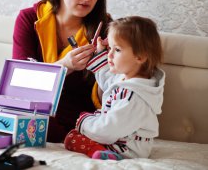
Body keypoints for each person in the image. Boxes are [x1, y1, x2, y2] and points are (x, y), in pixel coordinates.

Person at [13, 0, 111, 142]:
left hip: (74, 117)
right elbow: (19, 82)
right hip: (27, 106)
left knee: (38, 124)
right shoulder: (29, 18)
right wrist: (65, 66)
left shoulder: (106, 30)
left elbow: (107, 96)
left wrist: (104, 67)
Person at [64, 16, 165, 160]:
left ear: (140, 56)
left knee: (72, 137)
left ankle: (103, 153)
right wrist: (99, 53)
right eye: (109, 48)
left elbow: (107, 130)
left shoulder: (134, 96)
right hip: (117, 136)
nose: (109, 55)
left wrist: (84, 121)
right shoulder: (127, 78)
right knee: (76, 134)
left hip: (125, 148)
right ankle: (101, 151)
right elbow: (108, 80)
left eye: (117, 50)